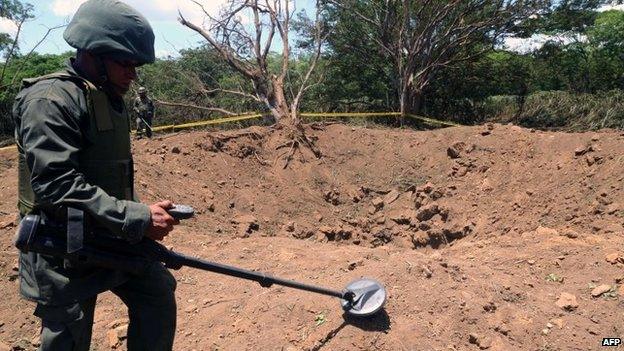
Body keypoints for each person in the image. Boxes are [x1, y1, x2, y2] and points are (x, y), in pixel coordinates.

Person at [12, 0, 179, 350]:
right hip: (60, 244)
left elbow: (103, 175)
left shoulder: (105, 97)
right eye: (125, 62)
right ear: (92, 53)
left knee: (156, 291)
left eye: (136, 65)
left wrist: (139, 210)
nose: (132, 73)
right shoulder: (50, 100)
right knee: (68, 335)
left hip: (104, 234)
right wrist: (134, 216)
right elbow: (55, 185)